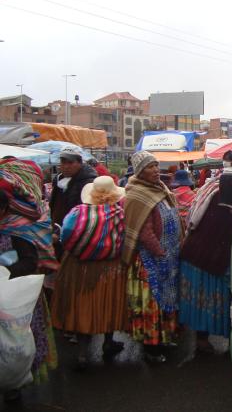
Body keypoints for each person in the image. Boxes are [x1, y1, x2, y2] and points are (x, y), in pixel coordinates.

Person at [51, 176, 128, 371]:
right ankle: (108, 343)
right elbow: (124, 239)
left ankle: (83, 354)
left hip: (79, 266)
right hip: (110, 267)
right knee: (108, 303)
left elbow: (65, 235)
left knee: (83, 305)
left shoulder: (77, 212)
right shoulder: (119, 213)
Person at [0, 159, 58, 401]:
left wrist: (6, 272)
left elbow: (30, 260)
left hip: (18, 299)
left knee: (19, 341)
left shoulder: (19, 228)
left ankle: (16, 382)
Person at [122, 151, 182, 363]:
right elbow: (144, 231)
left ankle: (164, 337)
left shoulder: (160, 189)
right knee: (152, 304)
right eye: (150, 167)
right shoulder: (137, 195)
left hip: (168, 257)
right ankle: (151, 347)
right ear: (140, 171)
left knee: (168, 299)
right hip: (150, 262)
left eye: (156, 165)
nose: (156, 170)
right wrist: (160, 252)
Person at [179, 171, 232, 354]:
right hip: (205, 259)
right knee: (213, 301)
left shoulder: (213, 192)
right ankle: (210, 341)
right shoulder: (223, 203)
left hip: (197, 256)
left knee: (203, 302)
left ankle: (203, 340)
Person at [49, 147, 97, 231]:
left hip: (74, 233)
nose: (66, 166)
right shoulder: (59, 180)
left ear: (80, 163)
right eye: (63, 162)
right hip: (57, 230)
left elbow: (85, 215)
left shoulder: (88, 184)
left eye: (70, 162)